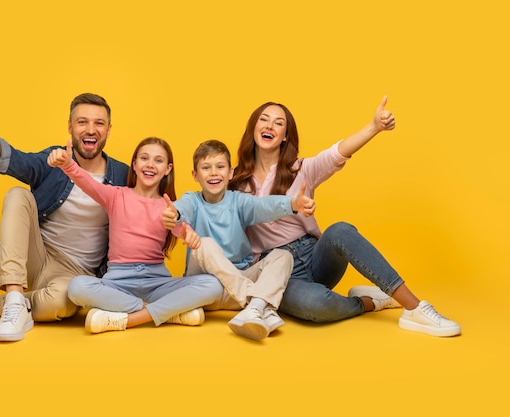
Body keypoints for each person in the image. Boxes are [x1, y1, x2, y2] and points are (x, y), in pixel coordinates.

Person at [228, 96, 461, 337]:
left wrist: (375, 127)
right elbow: (208, 207)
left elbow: (337, 153)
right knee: (314, 307)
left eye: (278, 123)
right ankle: (369, 302)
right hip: (277, 270)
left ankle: (415, 308)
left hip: (315, 255)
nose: (269, 126)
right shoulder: (233, 180)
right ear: (253, 127)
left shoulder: (302, 168)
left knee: (340, 230)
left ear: (285, 135)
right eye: (263, 120)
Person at [0, 93, 130, 342]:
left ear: (109, 130)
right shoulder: (53, 160)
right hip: (35, 256)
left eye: (99, 123)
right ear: (70, 127)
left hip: (77, 274)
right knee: (17, 195)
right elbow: (15, 161)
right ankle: (14, 296)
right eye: (82, 122)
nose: (91, 129)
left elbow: (149, 206)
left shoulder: (123, 175)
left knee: (63, 305)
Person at [46, 137, 224, 334]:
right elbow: (87, 182)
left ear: (168, 168)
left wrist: (189, 235)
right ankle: (168, 313)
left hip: (158, 284)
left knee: (213, 284)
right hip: (117, 284)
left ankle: (130, 318)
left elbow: (180, 228)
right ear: (135, 164)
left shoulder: (168, 207)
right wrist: (69, 165)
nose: (150, 165)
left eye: (158, 160)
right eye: (144, 158)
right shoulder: (116, 195)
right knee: (77, 287)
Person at [162, 140, 316, 341]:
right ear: (195, 175)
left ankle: (254, 307)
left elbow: (263, 207)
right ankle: (259, 304)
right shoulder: (193, 200)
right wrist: (174, 214)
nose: (214, 173)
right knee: (204, 243)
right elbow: (181, 209)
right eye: (206, 168)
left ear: (230, 173)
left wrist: (292, 203)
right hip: (205, 286)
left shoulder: (238, 201)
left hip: (236, 285)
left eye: (220, 167)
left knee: (283, 255)